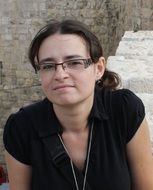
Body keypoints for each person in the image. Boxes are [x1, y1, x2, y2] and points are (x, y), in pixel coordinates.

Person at [3, 19, 153, 190]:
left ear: (99, 68)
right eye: (48, 66)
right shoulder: (21, 129)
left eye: (74, 62)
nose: (60, 74)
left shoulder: (124, 111)